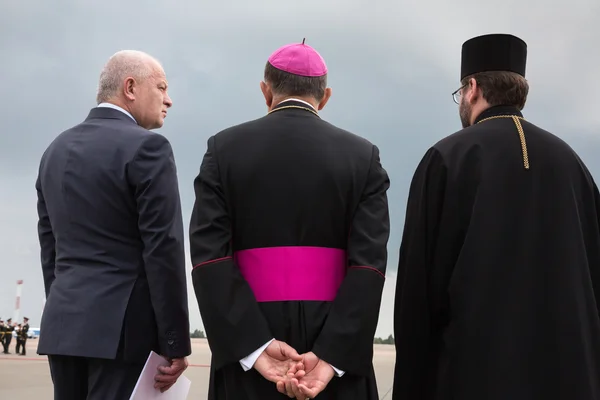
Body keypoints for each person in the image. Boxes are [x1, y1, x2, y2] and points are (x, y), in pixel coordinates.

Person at [392, 33, 600, 400]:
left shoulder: (446, 158)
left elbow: (418, 293)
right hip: (571, 378)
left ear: (472, 88)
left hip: (473, 377)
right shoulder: (572, 164)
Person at [189, 40, 391, 399]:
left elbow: (210, 258)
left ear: (266, 92)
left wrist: (254, 347)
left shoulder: (223, 150)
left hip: (251, 350)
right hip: (332, 350)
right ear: (325, 97)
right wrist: (331, 356)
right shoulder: (363, 157)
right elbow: (370, 266)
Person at [35, 50, 191, 399]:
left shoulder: (54, 151)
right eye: (162, 87)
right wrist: (175, 340)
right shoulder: (149, 148)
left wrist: (65, 312)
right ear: (130, 87)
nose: (169, 99)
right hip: (123, 332)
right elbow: (163, 248)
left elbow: (51, 252)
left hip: (64, 325)